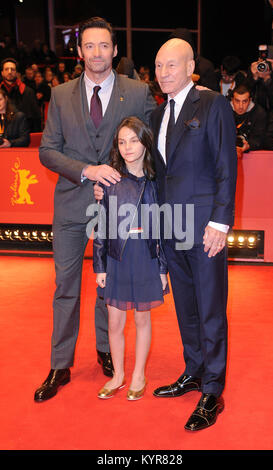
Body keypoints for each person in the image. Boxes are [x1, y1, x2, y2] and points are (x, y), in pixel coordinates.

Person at [94, 38, 237, 430]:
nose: (163, 73)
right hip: (169, 228)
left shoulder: (212, 105)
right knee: (186, 308)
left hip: (205, 228)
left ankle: (212, 388)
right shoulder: (156, 117)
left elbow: (226, 164)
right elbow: (146, 170)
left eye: (172, 65)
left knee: (210, 308)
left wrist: (220, 222)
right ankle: (193, 370)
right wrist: (108, 185)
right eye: (158, 66)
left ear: (190, 66)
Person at [34, 16, 156, 403]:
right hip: (71, 204)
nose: (97, 53)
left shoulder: (137, 92)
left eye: (104, 45)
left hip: (121, 210)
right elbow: (47, 151)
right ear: (80, 51)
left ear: (115, 51)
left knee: (111, 286)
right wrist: (86, 170)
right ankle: (60, 363)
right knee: (65, 285)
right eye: (89, 46)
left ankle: (108, 352)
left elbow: (153, 143)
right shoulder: (60, 94)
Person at [94, 116, 168, 400]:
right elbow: (101, 226)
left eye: (134, 140)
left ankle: (139, 374)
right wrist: (100, 266)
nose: (128, 147)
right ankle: (118, 375)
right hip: (117, 257)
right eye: (122, 142)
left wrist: (163, 268)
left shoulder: (156, 181)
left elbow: (163, 229)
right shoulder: (110, 179)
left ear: (146, 142)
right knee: (114, 321)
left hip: (146, 256)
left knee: (141, 319)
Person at [0, 58, 41, 132]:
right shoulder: (0, 92)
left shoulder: (28, 92)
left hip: (23, 136)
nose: (9, 72)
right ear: (2, 72)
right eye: (6, 69)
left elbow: (36, 118)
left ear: (16, 73)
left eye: (12, 69)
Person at [231, 83, 267, 157]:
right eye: (237, 101)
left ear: (250, 100)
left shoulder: (259, 113)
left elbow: (259, 139)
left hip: (252, 155)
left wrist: (249, 146)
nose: (241, 106)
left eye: (244, 101)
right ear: (232, 100)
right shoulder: (223, 111)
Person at [247, 44, 273, 112]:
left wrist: (267, 79)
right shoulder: (255, 69)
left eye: (270, 63)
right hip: (255, 113)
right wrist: (254, 78)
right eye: (264, 62)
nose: (266, 65)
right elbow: (244, 93)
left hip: (272, 115)